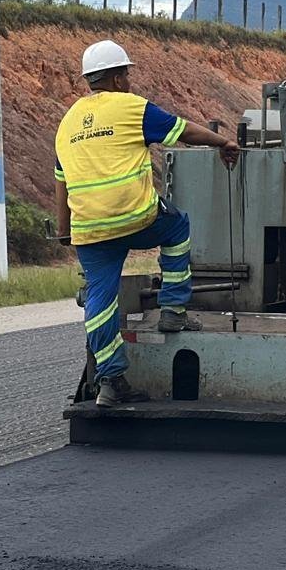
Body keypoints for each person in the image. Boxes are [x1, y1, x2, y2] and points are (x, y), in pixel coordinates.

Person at [54, 39, 239, 407]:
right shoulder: (132, 108)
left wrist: (65, 231)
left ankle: (110, 381)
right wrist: (222, 142)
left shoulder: (67, 121)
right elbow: (184, 130)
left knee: (101, 300)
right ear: (119, 78)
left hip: (89, 228)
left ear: (89, 79)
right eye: (127, 74)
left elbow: (61, 181)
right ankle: (173, 311)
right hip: (135, 216)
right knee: (177, 227)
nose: (129, 81)